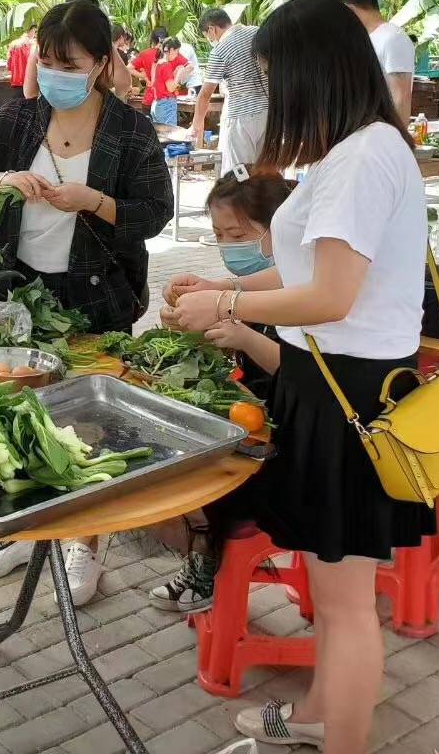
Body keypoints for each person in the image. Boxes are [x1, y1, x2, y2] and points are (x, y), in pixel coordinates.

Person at [167, 0, 432, 754]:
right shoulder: (358, 149)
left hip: (349, 396)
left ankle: (339, 736)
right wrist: (230, 301)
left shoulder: (362, 156)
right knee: (331, 590)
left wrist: (229, 295)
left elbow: (330, 294)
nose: (275, 96)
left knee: (347, 606)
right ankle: (318, 716)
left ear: (318, 69)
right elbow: (321, 288)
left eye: (279, 77)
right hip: (332, 384)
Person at [0, 0, 174, 603]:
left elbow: (155, 215)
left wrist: (93, 201)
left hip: (99, 295)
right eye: (46, 61)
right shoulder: (19, 121)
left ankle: (85, 548)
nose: (54, 73)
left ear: (101, 63)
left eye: (68, 63)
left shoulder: (130, 131)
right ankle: (26, 530)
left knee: (89, 423)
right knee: (21, 410)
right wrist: (2, 181)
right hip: (18, 291)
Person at [149, 171, 290, 614]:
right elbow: (227, 323)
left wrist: (243, 337)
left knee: (211, 474)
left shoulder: (310, 290)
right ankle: (203, 555)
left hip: (290, 433)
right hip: (254, 415)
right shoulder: (248, 286)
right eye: (218, 234)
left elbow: (304, 371)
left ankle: (210, 563)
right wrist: (187, 320)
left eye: (238, 234)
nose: (228, 244)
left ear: (279, 230)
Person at [192, 7, 267, 173]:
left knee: (240, 172)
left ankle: (242, 198)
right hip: (269, 113)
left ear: (212, 29)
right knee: (265, 170)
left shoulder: (220, 49)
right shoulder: (258, 33)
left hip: (241, 117)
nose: (210, 39)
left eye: (207, 35)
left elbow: (205, 95)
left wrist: (195, 126)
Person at [338, 0, 415, 121]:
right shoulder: (366, 38)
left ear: (350, 9)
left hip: (384, 133)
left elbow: (401, 98)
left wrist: (396, 139)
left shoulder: (393, 38)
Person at [149, 38, 191, 127]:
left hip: (157, 104)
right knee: (169, 136)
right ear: (171, 50)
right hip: (166, 104)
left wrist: (175, 74)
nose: (177, 55)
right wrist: (179, 74)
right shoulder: (166, 65)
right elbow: (171, 88)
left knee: (160, 136)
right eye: (177, 52)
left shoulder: (158, 63)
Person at [7, 23, 36, 96]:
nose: (36, 35)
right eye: (35, 32)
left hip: (16, 80)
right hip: (30, 80)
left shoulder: (13, 44)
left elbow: (9, 66)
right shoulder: (34, 45)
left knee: (19, 104)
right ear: (30, 31)